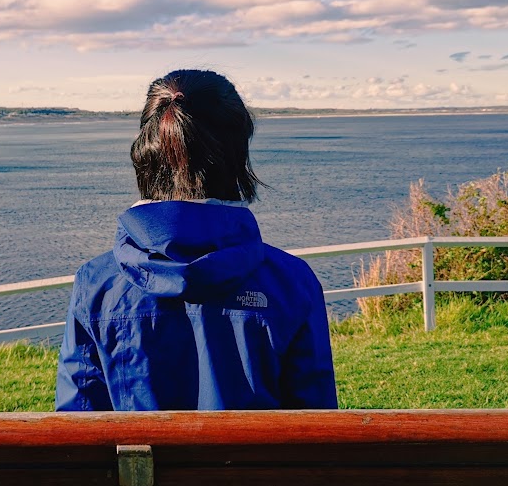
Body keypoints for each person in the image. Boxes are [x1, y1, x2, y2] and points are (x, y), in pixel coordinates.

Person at [55, 68, 337, 411]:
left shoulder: (96, 283)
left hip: (137, 451)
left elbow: (78, 417)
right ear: (237, 154)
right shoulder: (292, 281)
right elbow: (316, 419)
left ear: (147, 152)